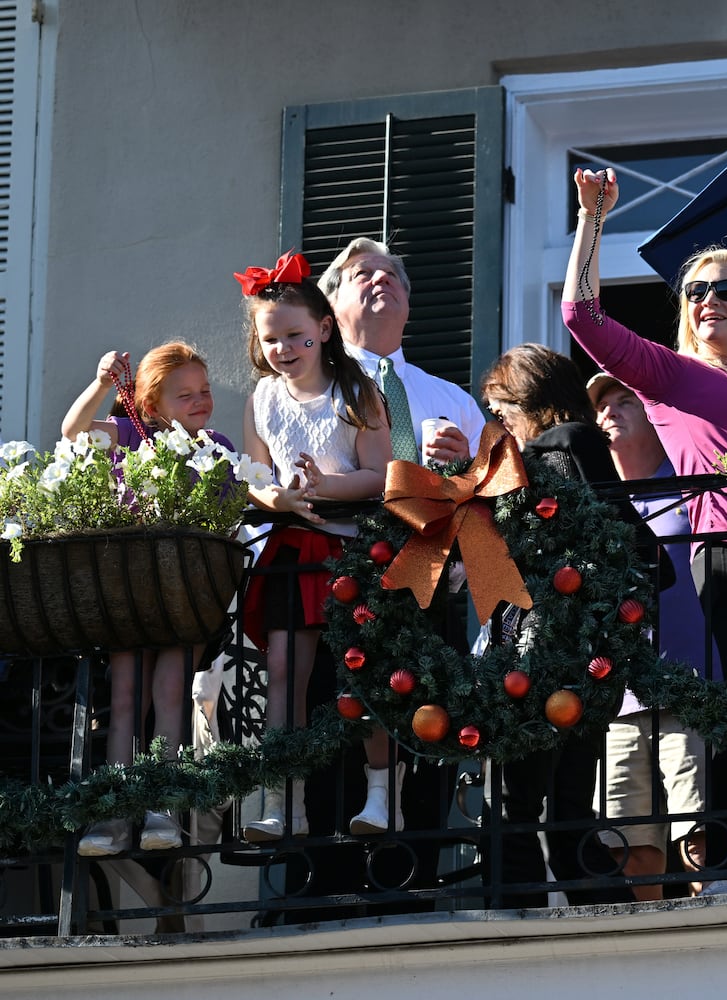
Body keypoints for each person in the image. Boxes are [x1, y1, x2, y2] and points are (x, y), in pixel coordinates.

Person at [564, 166, 727, 892]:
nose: (709, 299)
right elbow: (583, 320)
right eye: (697, 291)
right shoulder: (670, 375)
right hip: (726, 559)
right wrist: (592, 221)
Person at [236, 252, 394, 841]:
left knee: (361, 671)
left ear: (324, 329)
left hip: (353, 547)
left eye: (296, 336)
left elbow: (382, 476)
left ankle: (381, 794)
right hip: (292, 547)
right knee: (283, 673)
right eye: (271, 338)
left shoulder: (358, 391)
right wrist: (277, 499)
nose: (283, 349)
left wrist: (327, 487)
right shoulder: (262, 399)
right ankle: (285, 802)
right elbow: (254, 476)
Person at [478, 345, 637, 907]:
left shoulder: (562, 443)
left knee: (519, 794)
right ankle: (595, 905)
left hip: (548, 645)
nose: (499, 427)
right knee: (563, 794)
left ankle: (516, 906)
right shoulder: (551, 451)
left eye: (500, 413)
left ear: (529, 401)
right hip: (567, 644)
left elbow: (619, 536)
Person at [62, 342, 234, 856]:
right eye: (185, 396)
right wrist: (100, 382)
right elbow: (72, 432)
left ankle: (160, 806)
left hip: (183, 595)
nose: (200, 401)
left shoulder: (216, 443)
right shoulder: (132, 433)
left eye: (204, 391)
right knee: (124, 702)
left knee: (168, 695)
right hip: (131, 592)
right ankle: (115, 814)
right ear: (153, 406)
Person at [589, 372, 725, 898]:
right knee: (630, 841)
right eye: (601, 407)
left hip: (687, 684)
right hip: (617, 695)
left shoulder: (689, 480)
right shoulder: (591, 500)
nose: (610, 413)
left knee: (698, 834)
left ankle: (711, 948)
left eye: (625, 401)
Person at [318, 238, 486, 464]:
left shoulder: (457, 402)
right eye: (363, 273)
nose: (381, 277)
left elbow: (489, 487)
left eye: (391, 274)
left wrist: (466, 464)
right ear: (331, 306)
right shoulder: (311, 393)